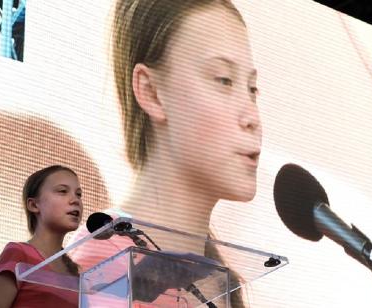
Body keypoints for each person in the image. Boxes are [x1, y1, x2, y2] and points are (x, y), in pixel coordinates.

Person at [69, 0, 261, 306]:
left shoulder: (216, 279)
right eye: (223, 80)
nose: (252, 116)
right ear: (151, 92)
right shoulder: (102, 269)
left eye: (252, 89)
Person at [0, 165, 83, 307]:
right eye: (62, 191)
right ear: (34, 205)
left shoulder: (77, 274)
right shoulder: (19, 253)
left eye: (78, 194)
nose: (75, 200)